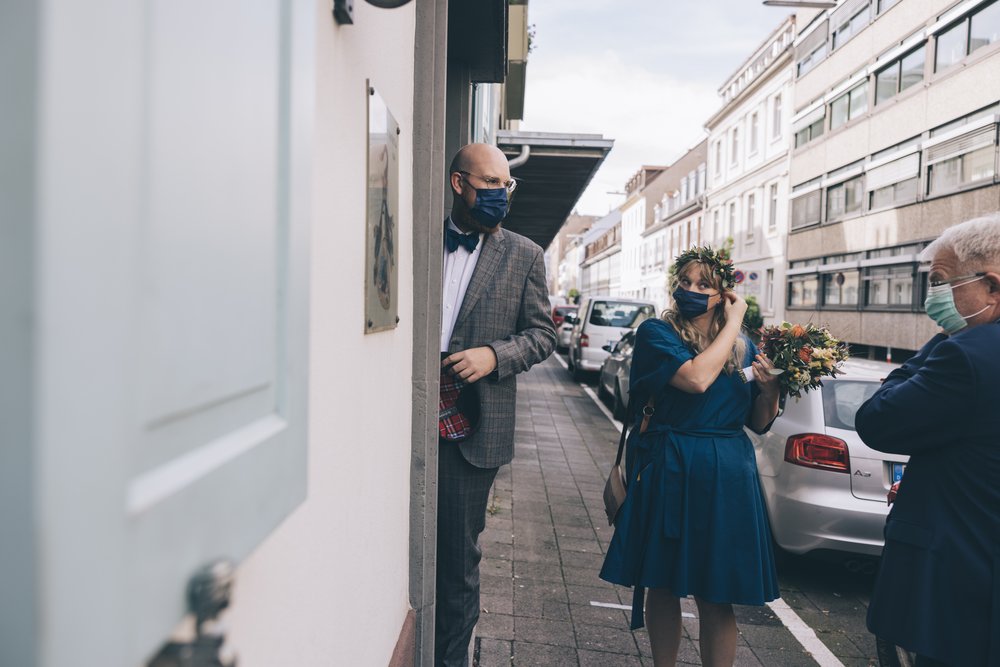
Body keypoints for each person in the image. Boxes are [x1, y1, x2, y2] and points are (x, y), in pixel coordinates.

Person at [599, 246, 781, 667]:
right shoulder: (656, 334)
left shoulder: (744, 346)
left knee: (715, 592)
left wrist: (770, 390)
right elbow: (697, 379)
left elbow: (758, 420)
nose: (691, 290)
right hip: (673, 463)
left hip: (727, 472)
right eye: (685, 282)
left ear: (723, 293)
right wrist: (734, 324)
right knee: (661, 582)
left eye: (703, 284)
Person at [856, 214, 1000, 667]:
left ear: (992, 287)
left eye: (940, 282)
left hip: (960, 588)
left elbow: (877, 421)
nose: (931, 298)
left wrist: (939, 343)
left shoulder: (965, 357)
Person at [435, 143, 556, 666]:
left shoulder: (525, 255)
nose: (499, 196)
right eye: (489, 185)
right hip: (404, 414)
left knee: (458, 562)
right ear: (459, 184)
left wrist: (494, 354)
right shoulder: (420, 239)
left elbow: (543, 335)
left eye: (505, 186)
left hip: (472, 426)